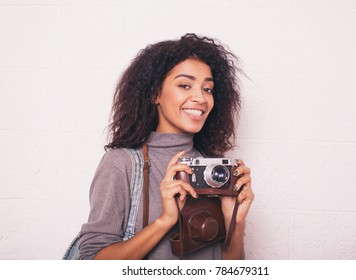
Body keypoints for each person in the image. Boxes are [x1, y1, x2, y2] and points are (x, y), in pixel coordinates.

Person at [79, 33, 254, 260]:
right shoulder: (123, 164)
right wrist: (165, 220)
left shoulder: (214, 170)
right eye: (185, 85)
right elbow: (91, 262)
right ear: (155, 94)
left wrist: (235, 223)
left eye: (207, 89)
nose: (200, 98)